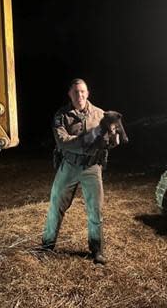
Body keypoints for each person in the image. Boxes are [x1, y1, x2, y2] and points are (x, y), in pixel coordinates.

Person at [42, 78, 117, 264]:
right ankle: (47, 245)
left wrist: (113, 138)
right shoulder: (61, 116)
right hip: (69, 166)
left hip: (92, 168)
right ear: (70, 94)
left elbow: (109, 142)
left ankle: (97, 249)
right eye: (76, 92)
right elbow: (63, 142)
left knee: (95, 210)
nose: (80, 95)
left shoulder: (101, 114)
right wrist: (90, 142)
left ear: (88, 93)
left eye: (83, 91)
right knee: (56, 206)